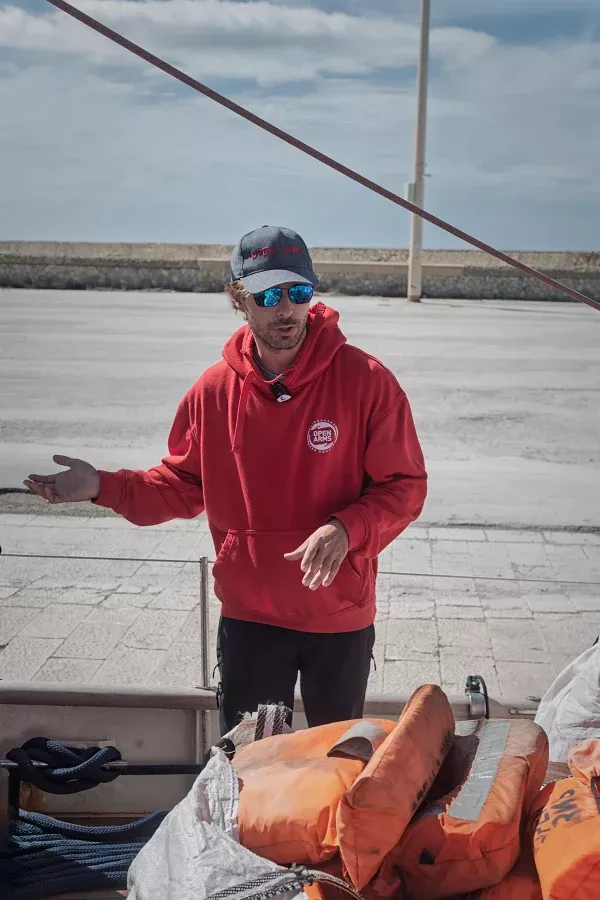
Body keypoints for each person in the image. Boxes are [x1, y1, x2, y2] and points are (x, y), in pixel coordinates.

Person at [24, 225, 427, 733]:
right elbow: (177, 486)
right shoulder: (213, 392)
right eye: (268, 295)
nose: (287, 309)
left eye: (298, 291)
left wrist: (348, 528)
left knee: (337, 762)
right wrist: (102, 486)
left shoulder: (367, 381)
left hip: (338, 615)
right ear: (239, 299)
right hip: (251, 619)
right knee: (250, 766)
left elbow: (404, 486)